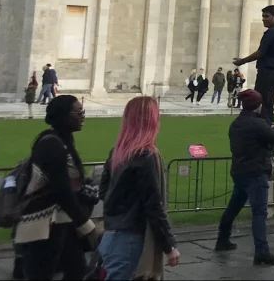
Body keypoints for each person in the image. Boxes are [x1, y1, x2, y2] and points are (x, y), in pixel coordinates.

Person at [15, 96, 99, 279]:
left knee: (77, 270)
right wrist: (87, 226)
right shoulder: (51, 144)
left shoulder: (62, 142)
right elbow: (62, 190)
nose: (82, 116)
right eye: (78, 112)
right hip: (41, 225)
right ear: (63, 115)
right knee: (43, 273)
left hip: (61, 223)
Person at [98, 96, 180, 279]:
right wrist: (170, 246)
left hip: (112, 233)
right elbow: (154, 205)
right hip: (129, 238)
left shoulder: (119, 151)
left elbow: (104, 191)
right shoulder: (146, 155)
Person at [215, 89, 274, 266]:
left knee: (233, 207)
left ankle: (222, 239)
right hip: (255, 173)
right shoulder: (257, 124)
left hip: (240, 171)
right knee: (259, 212)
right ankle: (262, 251)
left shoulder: (236, 124)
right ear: (257, 106)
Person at [233, 5, 274, 123]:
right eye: (263, 16)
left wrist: (242, 61)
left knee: (262, 105)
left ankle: (266, 134)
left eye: (266, 16)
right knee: (268, 105)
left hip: (267, 73)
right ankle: (269, 132)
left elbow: (260, 53)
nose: (264, 19)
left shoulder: (271, 32)